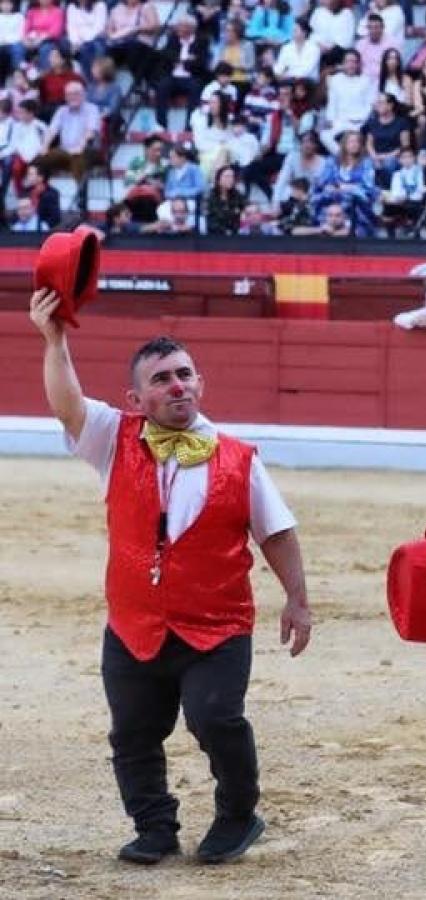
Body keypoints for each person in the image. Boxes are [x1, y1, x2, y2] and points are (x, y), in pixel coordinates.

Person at [27, 288, 311, 865]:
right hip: (134, 622)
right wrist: (54, 339)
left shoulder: (239, 457)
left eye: (184, 374)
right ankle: (155, 827)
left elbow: (276, 532)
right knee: (132, 733)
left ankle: (238, 815)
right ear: (137, 397)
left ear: (200, 384)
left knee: (216, 718)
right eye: (161, 379)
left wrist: (297, 602)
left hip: (218, 623)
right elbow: (67, 404)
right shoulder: (114, 438)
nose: (176, 385)